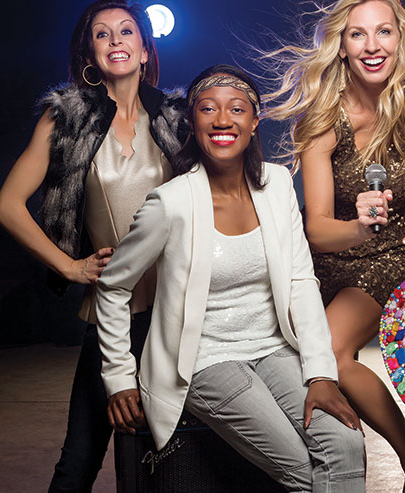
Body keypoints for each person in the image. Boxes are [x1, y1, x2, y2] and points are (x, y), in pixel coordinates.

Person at [95, 64, 366, 492]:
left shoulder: (277, 185)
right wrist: (119, 377)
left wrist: (321, 375)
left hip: (275, 350)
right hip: (204, 360)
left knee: (346, 445)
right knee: (303, 469)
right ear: (192, 122)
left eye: (237, 109)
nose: (223, 120)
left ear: (254, 122)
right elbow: (112, 286)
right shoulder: (171, 203)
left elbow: (300, 282)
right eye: (208, 109)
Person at [260, 0, 405, 490]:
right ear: (342, 46)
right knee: (289, 361)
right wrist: (357, 224)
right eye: (357, 35)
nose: (372, 46)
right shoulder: (325, 116)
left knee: (327, 349)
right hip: (326, 256)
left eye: (383, 32)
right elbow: (319, 229)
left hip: (391, 255)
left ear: (402, 38)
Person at [0, 0, 186, 491]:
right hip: (112, 312)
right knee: (79, 460)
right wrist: (70, 267)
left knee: (168, 462)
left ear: (145, 50)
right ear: (90, 53)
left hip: (178, 311)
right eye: (102, 34)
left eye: (126, 31)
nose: (116, 40)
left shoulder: (176, 118)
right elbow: (8, 205)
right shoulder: (66, 119)